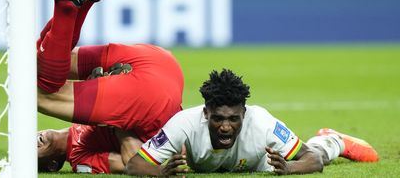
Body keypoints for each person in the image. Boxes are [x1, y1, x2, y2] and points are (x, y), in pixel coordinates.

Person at [35, 0, 183, 173]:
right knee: (33, 95)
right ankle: (70, 1)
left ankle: (81, 0)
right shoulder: (79, 157)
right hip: (153, 97)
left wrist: (109, 108)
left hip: (157, 67)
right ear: (53, 165)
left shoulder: (79, 120)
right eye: (29, 153)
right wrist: (116, 124)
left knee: (33, 64)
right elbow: (130, 163)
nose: (30, 143)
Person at [126, 69, 379, 176]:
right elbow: (134, 165)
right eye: (218, 119)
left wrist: (289, 169)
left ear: (244, 115)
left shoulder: (261, 121)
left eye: (233, 119)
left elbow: (311, 159)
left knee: (320, 156)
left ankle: (333, 139)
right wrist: (159, 172)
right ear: (206, 113)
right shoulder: (184, 124)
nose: (226, 127)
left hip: (263, 164)